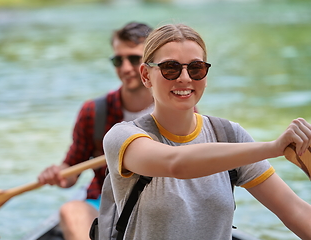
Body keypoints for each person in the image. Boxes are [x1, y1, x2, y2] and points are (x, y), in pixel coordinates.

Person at [103, 23, 311, 240]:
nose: (185, 78)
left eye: (196, 68)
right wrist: (273, 148)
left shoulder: (230, 136)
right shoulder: (122, 137)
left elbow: (295, 211)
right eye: (170, 68)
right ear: (146, 75)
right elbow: (177, 164)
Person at [37, 22, 155, 240]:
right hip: (103, 203)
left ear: (152, 62)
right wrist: (59, 174)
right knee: (70, 211)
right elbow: (71, 169)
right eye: (118, 60)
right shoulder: (94, 112)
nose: (126, 68)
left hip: (158, 204)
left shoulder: (177, 109)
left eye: (134, 58)